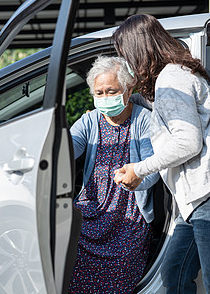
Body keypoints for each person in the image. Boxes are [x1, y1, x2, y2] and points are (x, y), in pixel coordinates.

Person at [112, 14, 210, 293]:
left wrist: (139, 168)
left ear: (138, 50)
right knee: (175, 274)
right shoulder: (172, 77)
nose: (127, 63)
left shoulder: (172, 79)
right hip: (202, 199)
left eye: (126, 55)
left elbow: (188, 142)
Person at [68, 55, 160, 293]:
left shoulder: (143, 120)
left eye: (112, 91)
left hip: (129, 218)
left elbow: (154, 167)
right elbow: (67, 147)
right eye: (99, 93)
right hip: (90, 213)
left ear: (129, 89)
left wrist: (136, 179)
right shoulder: (89, 121)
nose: (105, 98)